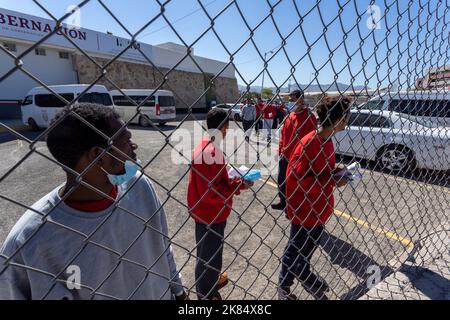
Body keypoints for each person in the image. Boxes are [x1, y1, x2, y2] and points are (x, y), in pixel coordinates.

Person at [0, 104, 187, 300]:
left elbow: (162, 246)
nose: (134, 147)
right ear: (99, 156)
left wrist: (179, 292)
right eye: (126, 141)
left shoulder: (139, 187)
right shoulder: (28, 242)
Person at [278, 96, 352, 300]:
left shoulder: (326, 140)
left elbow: (321, 171)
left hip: (319, 208)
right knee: (295, 247)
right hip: (305, 209)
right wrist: (331, 181)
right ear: (338, 120)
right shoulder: (311, 142)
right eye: (347, 117)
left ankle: (304, 273)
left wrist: (336, 172)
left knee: (309, 247)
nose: (348, 121)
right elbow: (295, 179)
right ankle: (283, 287)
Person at [187, 108, 253, 300]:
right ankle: (206, 293)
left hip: (207, 211)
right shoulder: (210, 151)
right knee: (209, 255)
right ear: (225, 127)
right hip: (210, 213)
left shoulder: (206, 144)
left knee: (210, 251)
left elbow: (213, 184)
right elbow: (212, 192)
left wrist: (233, 181)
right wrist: (237, 185)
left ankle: (211, 280)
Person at [272, 90, 318, 211]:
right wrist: (281, 150)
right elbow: (283, 135)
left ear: (301, 100)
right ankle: (283, 202)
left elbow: (311, 138)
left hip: (298, 158)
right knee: (281, 180)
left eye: (292, 100)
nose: (289, 102)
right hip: (285, 155)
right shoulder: (290, 116)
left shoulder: (309, 117)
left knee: (293, 184)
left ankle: (291, 207)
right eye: (289, 100)